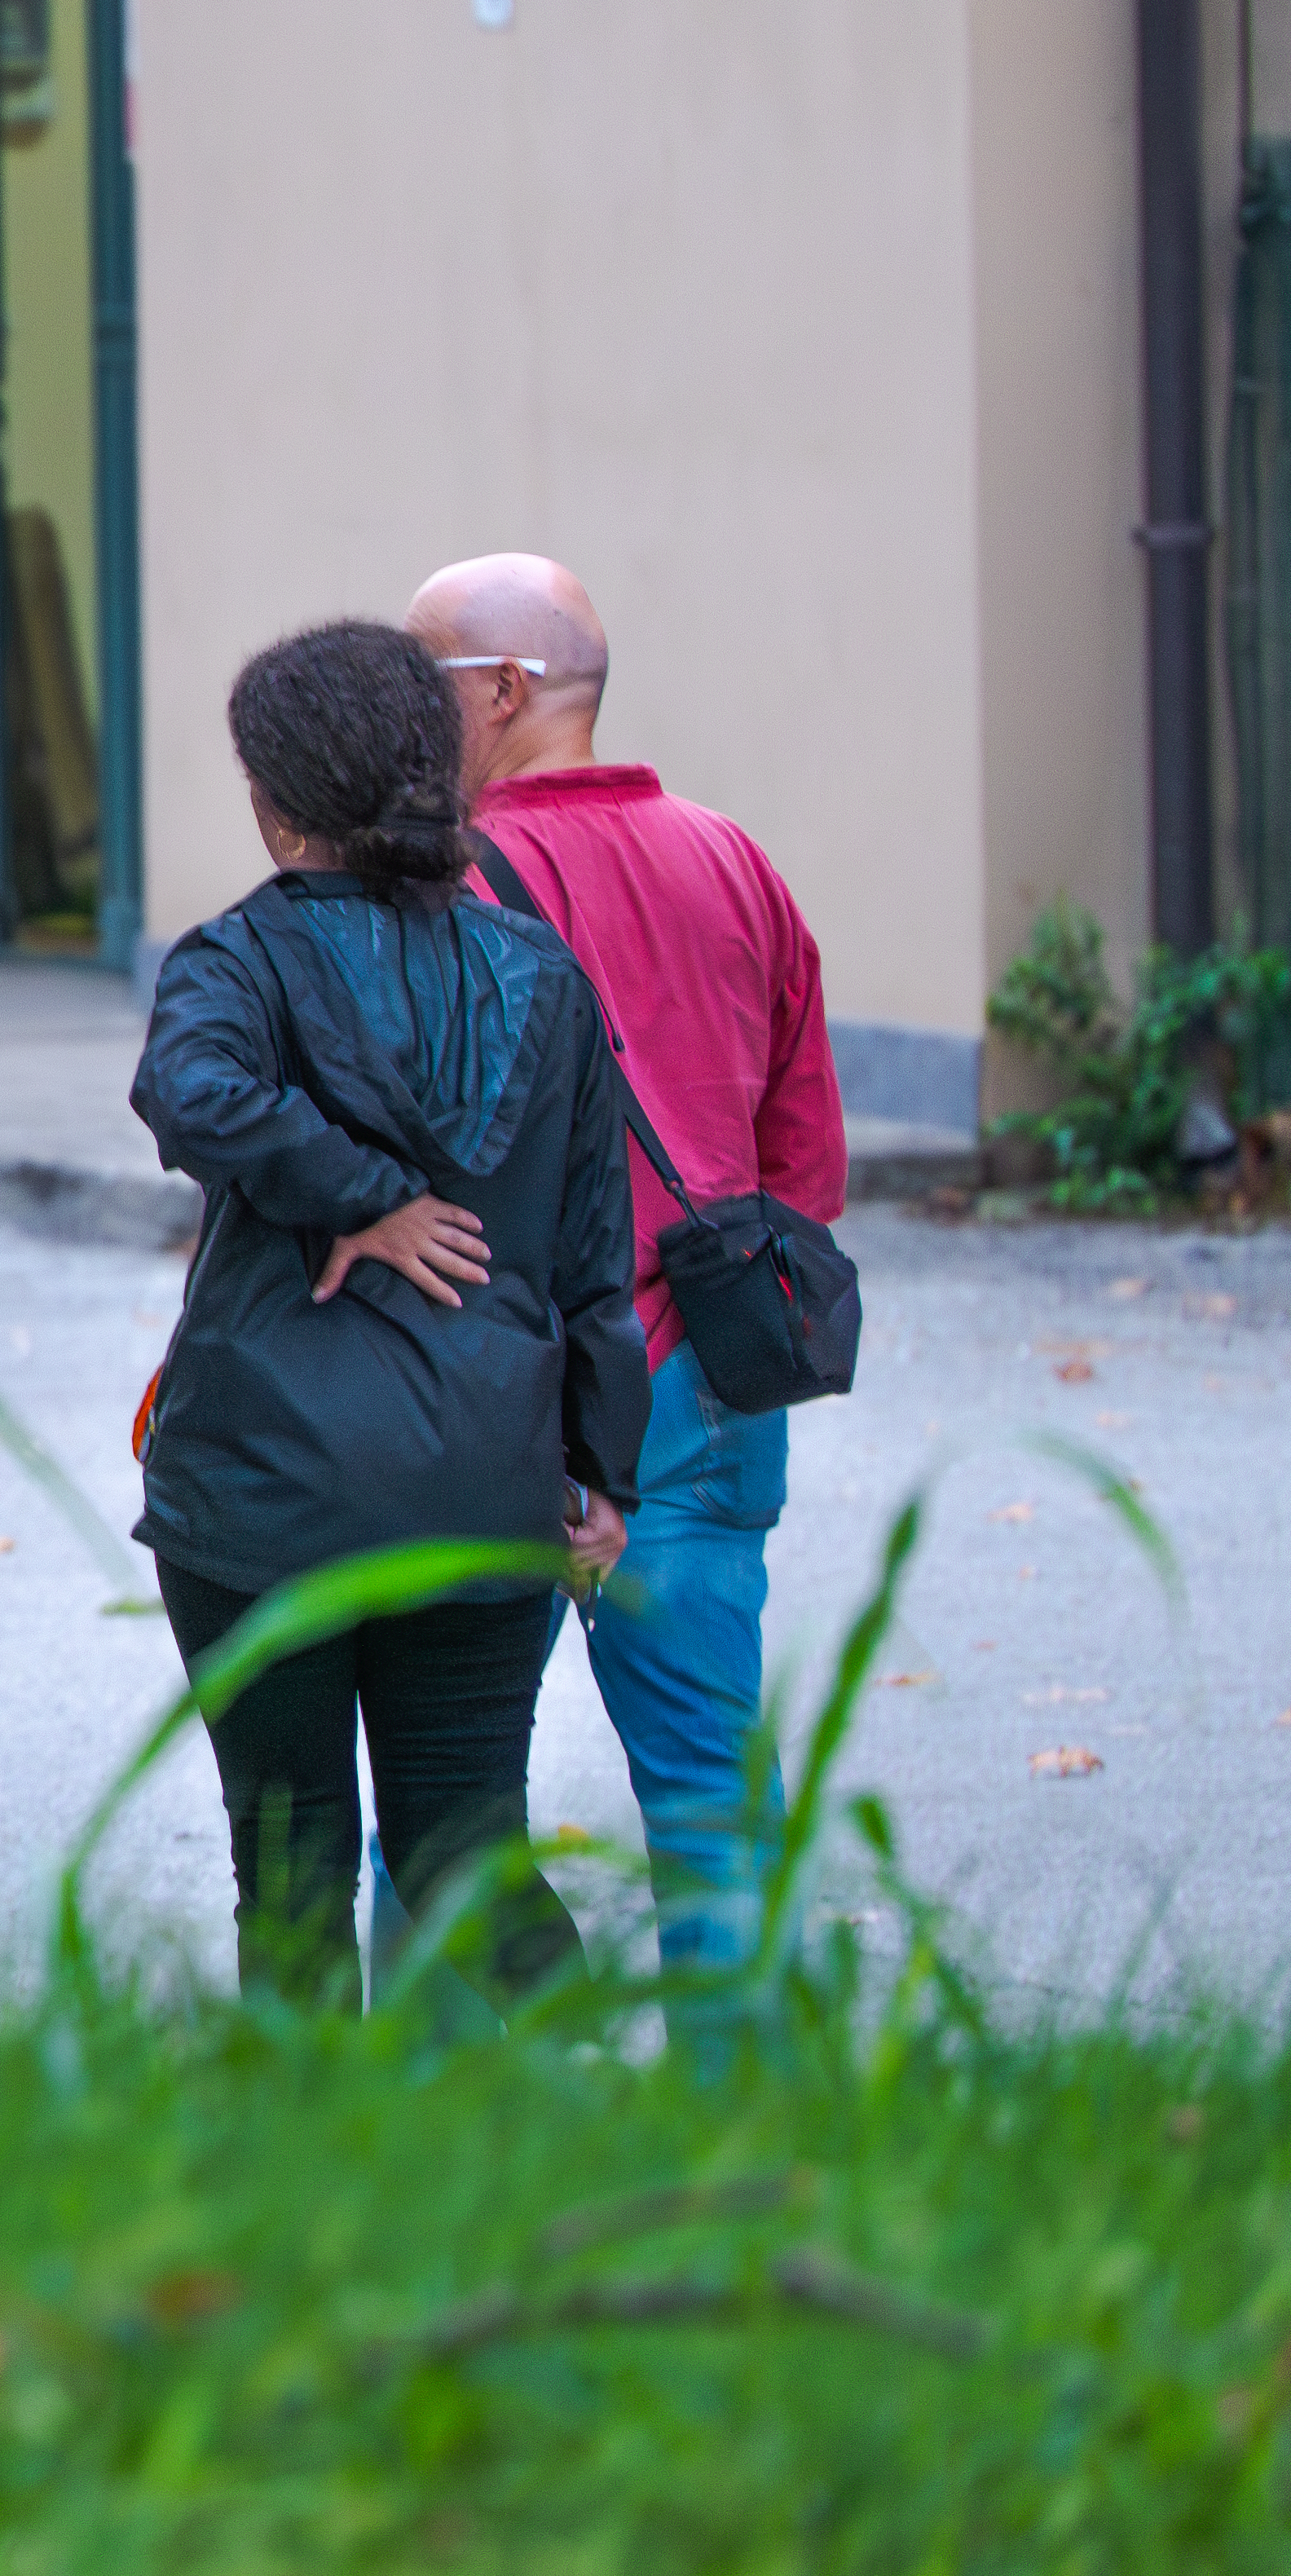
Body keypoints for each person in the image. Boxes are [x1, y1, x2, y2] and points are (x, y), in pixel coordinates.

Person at [128, 619, 642, 2014]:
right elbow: (597, 1246)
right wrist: (602, 1465)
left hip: (263, 1488)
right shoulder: (542, 977)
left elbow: (193, 1094)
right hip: (485, 1480)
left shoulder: (236, 960)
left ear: (273, 800)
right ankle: (600, 2112)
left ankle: (298, 2195)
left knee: (287, 1871)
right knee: (468, 1846)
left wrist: (363, 1193)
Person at [407, 552, 847, 1972]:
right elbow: (805, 1163)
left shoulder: (448, 895)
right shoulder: (736, 860)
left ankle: (427, 2149)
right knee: (719, 1800)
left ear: (504, 691)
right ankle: (754, 2140)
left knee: (441, 1815)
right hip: (709, 1389)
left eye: (423, 682)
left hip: (508, 1401)